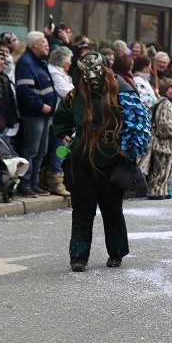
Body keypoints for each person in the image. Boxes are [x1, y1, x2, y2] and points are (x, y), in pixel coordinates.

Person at [53, 53, 150, 271]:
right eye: (86, 72)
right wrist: (65, 134)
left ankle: (116, 252)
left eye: (96, 70)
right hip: (81, 157)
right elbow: (60, 120)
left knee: (112, 208)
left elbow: (138, 122)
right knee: (82, 210)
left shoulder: (122, 92)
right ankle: (78, 257)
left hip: (112, 158)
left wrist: (128, 148)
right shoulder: (74, 96)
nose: (92, 76)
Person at [15, 31, 65, 198]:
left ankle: (34, 183)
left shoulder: (39, 61)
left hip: (45, 115)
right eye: (43, 41)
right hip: (34, 114)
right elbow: (24, 90)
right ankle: (24, 184)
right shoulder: (25, 62)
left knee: (41, 151)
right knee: (30, 150)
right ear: (34, 45)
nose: (47, 44)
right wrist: (39, 105)